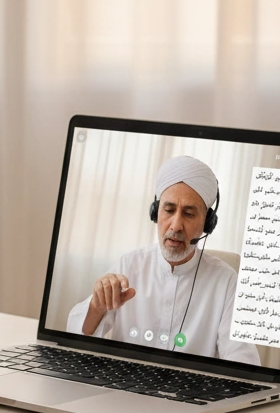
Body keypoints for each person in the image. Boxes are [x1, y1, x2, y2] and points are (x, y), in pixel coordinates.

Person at [66, 155, 260, 364]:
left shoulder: (227, 282)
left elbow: (243, 363)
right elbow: (76, 339)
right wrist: (97, 305)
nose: (176, 225)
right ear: (155, 213)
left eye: (188, 214)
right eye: (168, 210)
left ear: (207, 223)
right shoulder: (129, 265)